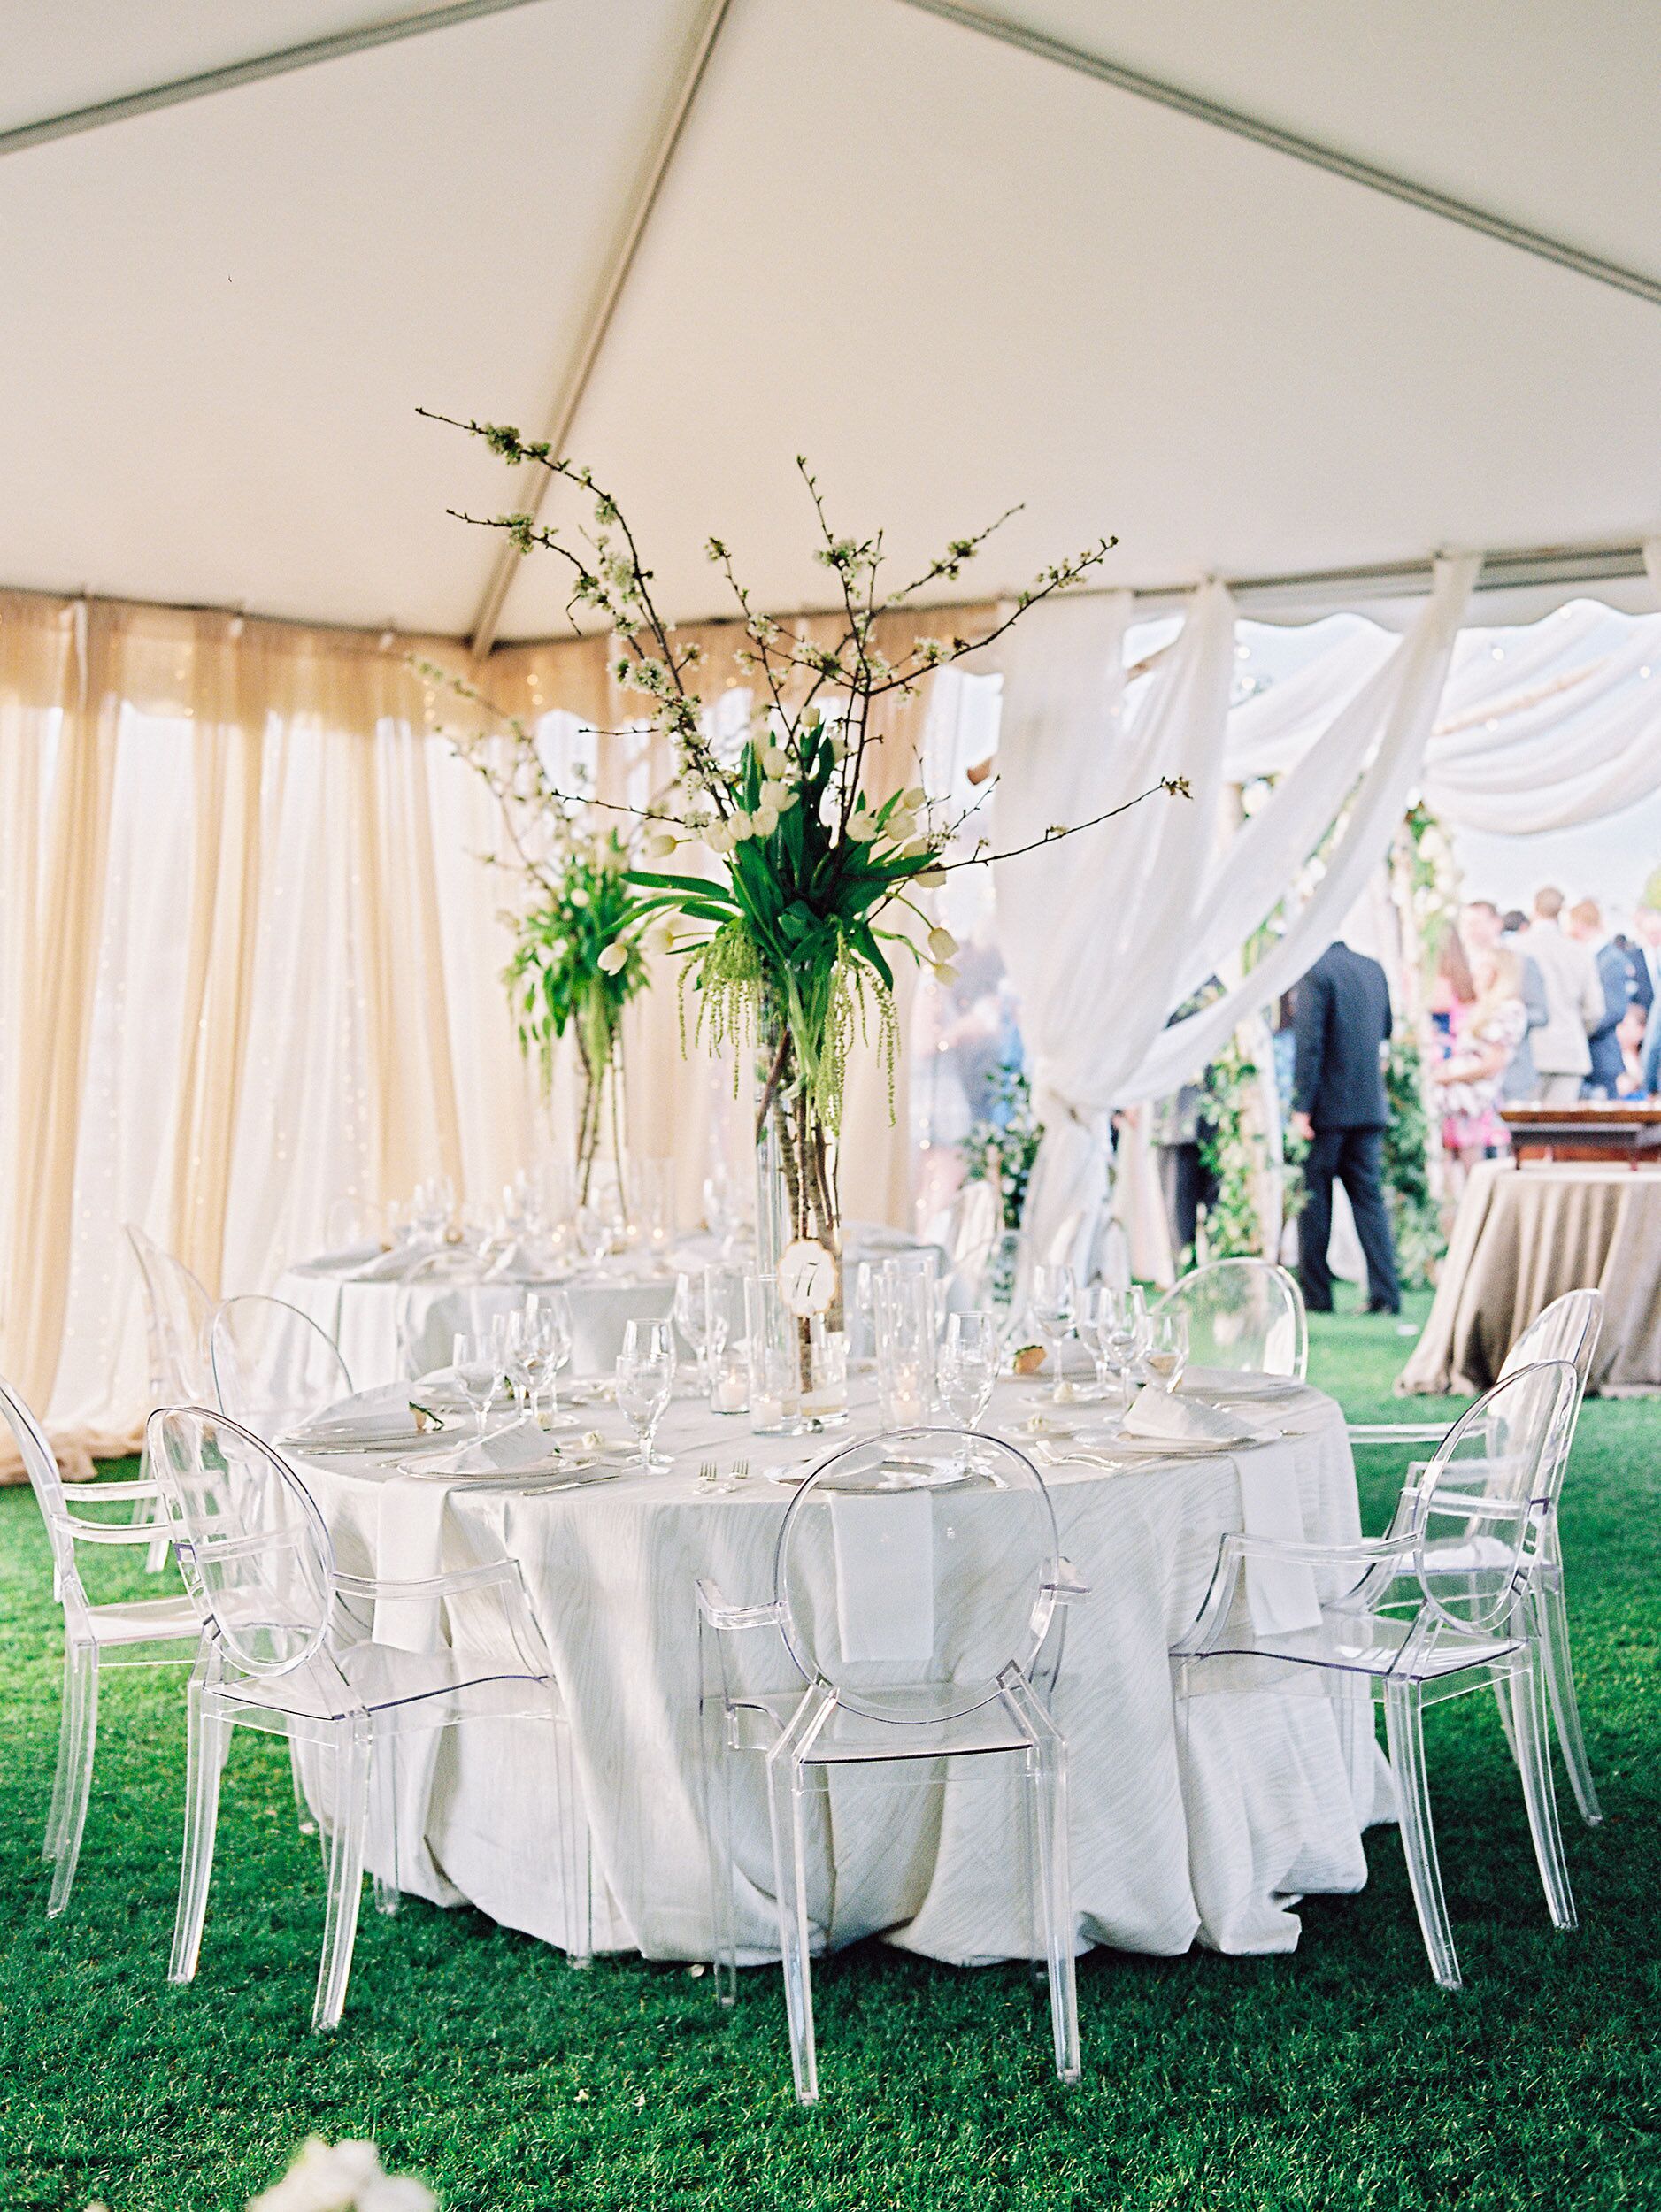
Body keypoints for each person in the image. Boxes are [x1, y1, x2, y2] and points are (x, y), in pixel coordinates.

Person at [1291, 939, 1400, 1316]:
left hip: (1325, 1109)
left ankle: (1317, 1296)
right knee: (1369, 1201)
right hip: (1369, 1104)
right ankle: (1386, 1294)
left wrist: (1300, 1108)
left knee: (1314, 1202)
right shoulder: (1373, 968)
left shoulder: (1314, 972)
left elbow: (1309, 1045)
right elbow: (1387, 1030)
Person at [1434, 948, 1528, 1190]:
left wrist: (1449, 1075)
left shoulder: (1508, 1009)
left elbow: (1493, 1063)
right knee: (1457, 1178)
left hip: (1477, 1102)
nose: (1475, 973)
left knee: (1476, 1178)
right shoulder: (1483, 1007)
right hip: (1460, 1101)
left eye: (1482, 967)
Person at [1517, 887, 1603, 1103]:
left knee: (1524, 1130)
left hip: (1527, 1052)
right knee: (1560, 1131)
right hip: (1569, 1051)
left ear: (1534, 909)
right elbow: (1594, 1010)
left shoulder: (1516, 947)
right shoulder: (1580, 951)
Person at [1463, 898, 1547, 1102]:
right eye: (1467, 924)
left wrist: (1504, 1022)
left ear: (1496, 923)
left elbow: (1540, 1012)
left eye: (1477, 923)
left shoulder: (1521, 962)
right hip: (1468, 1076)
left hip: (1512, 1074)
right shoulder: (1461, 963)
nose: (1471, 930)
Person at [1565, 898, 1637, 1098]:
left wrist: (1579, 1028)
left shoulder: (1611, 960)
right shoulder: (1587, 958)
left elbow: (1614, 1010)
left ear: (1579, 925)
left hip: (1601, 1058)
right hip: (1583, 1058)